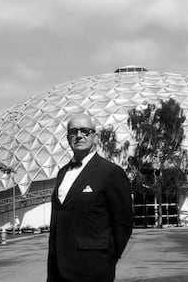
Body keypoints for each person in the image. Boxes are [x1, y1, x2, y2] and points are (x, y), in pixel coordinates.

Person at [47, 113, 134, 282]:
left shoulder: (110, 173)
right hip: (57, 270)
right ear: (67, 137)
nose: (79, 135)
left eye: (85, 131)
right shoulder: (62, 173)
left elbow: (123, 222)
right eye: (74, 132)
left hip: (94, 269)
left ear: (95, 136)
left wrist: (108, 258)